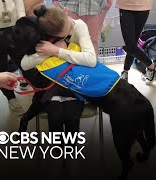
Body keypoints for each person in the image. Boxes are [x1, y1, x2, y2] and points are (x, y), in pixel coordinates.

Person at [18, 5, 97, 141]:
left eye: (68, 29)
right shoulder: (46, 30)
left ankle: (71, 152)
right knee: (55, 117)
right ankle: (58, 150)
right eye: (62, 35)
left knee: (72, 118)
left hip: (75, 84)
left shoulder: (78, 25)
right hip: (52, 85)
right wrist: (50, 50)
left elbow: (91, 60)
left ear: (65, 13)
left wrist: (57, 51)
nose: (68, 34)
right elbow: (24, 64)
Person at [116, 0, 156, 84]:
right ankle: (152, 66)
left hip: (143, 5)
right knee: (130, 45)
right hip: (125, 4)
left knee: (133, 43)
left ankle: (125, 71)